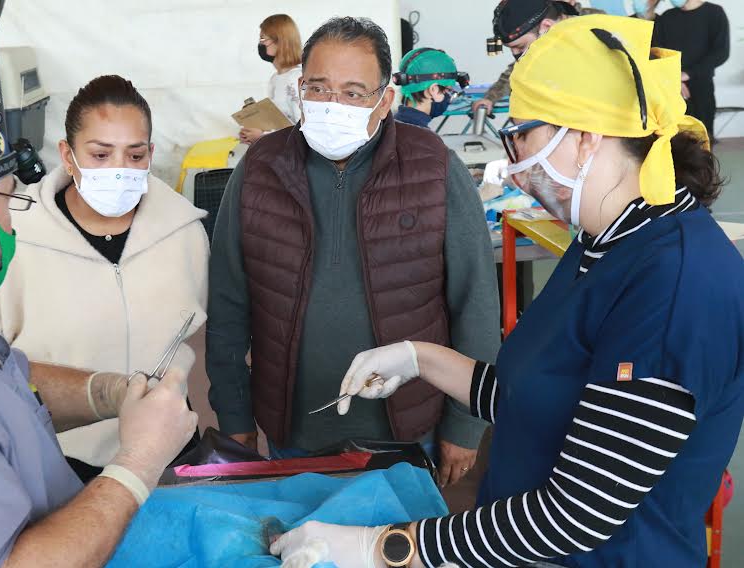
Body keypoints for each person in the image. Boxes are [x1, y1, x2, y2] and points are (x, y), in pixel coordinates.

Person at [271, 14, 744, 567]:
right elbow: (538, 401)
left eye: (520, 136)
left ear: (587, 136)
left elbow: (576, 515)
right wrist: (420, 357)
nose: (513, 167)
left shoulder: (675, 286)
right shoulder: (602, 242)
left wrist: (388, 548)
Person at [0, 92, 198, 566]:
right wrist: (139, 461)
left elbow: (4, 390)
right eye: (10, 198)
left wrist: (110, 393)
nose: (12, 223)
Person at [207, 17, 501, 487]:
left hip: (410, 429)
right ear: (299, 89)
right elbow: (227, 303)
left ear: (385, 100)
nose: (332, 105)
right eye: (318, 88)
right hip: (292, 431)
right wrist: (234, 414)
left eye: (353, 92)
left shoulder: (432, 166)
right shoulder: (260, 169)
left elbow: (476, 304)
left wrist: (466, 425)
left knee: (395, 550)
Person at [0, 75, 209, 481]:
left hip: (170, 444)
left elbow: (197, 335)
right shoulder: (16, 237)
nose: (119, 170)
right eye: (100, 155)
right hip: (58, 456)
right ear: (67, 154)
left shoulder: (183, 230)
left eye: (135, 156)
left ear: (151, 153)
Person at [471, 0, 602, 117]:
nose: (518, 56)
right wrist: (489, 98)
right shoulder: (539, 31)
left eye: (521, 47)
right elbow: (516, 70)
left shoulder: (596, 25)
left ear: (547, 26)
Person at [653, 0, 730, 141]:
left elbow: (721, 53)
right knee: (674, 140)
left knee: (702, 140)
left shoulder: (714, 13)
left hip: (702, 87)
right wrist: (675, 79)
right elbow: (657, 53)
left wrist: (688, 74)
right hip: (672, 88)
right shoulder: (667, 17)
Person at [240, 14, 303, 145]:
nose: (260, 44)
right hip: (276, 151)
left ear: (280, 41)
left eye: (263, 38)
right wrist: (252, 131)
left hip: (290, 156)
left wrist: (262, 136)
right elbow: (279, 122)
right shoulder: (275, 78)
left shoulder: (295, 78)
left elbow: (301, 129)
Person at [394, 47, 463, 129]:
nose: (449, 96)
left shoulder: (393, 123)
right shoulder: (425, 138)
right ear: (434, 89)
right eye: (448, 90)